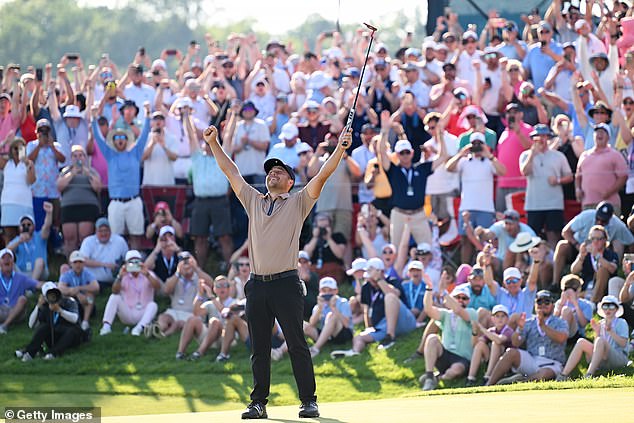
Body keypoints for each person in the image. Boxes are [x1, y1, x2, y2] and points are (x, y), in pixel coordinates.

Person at [203, 123, 353, 419]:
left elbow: (322, 174)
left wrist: (340, 148)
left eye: (280, 172)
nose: (273, 173)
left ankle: (308, 400)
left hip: (286, 283)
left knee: (297, 343)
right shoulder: (254, 200)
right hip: (257, 285)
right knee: (259, 348)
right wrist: (213, 143)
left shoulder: (298, 201)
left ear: (289, 182)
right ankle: (258, 403)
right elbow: (231, 172)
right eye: (271, 171)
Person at [91, 103, 151, 249]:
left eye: (122, 137)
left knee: (136, 236)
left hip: (134, 201)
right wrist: (93, 119)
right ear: (113, 140)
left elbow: (143, 135)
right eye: (116, 137)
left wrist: (148, 115)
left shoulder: (135, 152)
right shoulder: (110, 154)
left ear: (127, 139)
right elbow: (98, 139)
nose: (119, 139)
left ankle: (135, 261)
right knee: (116, 238)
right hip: (116, 203)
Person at [332, 257, 416, 357]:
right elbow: (366, 310)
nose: (371, 280)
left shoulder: (392, 281)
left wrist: (379, 279)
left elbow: (394, 295)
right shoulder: (367, 287)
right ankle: (355, 352)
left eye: (373, 277)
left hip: (403, 320)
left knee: (390, 297)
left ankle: (390, 337)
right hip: (382, 326)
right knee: (358, 337)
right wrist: (369, 328)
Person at [486, 290, 568, 385]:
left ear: (553, 305)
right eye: (539, 302)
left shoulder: (560, 322)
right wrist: (519, 329)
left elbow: (562, 338)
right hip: (532, 359)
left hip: (552, 362)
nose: (543, 305)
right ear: (535, 305)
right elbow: (516, 343)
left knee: (544, 374)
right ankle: (488, 385)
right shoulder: (528, 322)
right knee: (510, 352)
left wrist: (543, 326)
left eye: (547, 302)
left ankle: (518, 382)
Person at [420, 284, 479, 391]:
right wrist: (429, 288)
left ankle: (438, 378)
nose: (460, 300)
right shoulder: (446, 314)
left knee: (455, 370)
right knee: (432, 338)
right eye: (457, 297)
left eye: (464, 298)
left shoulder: (472, 313)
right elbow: (428, 309)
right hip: (445, 354)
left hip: (462, 359)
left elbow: (459, 311)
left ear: (468, 301)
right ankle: (429, 376)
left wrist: (444, 293)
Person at [558, 295, 630, 380]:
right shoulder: (601, 323)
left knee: (600, 340)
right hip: (603, 359)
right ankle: (563, 375)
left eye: (611, 306)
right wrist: (597, 332)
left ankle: (589, 374)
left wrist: (611, 331)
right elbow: (598, 346)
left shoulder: (621, 322)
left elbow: (623, 344)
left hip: (619, 359)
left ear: (617, 308)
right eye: (605, 306)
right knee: (581, 342)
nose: (608, 309)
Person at [99, 250, 161, 337]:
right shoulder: (123, 275)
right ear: (126, 263)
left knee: (153, 305)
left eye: (136, 262)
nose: (134, 265)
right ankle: (106, 327)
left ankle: (139, 328)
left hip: (144, 312)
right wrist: (120, 277)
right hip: (128, 312)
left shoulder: (148, 273)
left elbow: (158, 287)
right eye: (131, 262)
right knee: (114, 297)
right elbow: (115, 291)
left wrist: (147, 274)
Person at [16, 282, 83, 361]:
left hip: (71, 336)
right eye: (49, 295)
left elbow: (74, 319)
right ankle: (30, 352)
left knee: (72, 330)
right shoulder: (44, 307)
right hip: (53, 335)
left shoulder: (69, 301)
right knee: (44, 327)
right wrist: (38, 306)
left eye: (54, 293)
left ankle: (53, 353)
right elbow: (31, 325)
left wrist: (59, 310)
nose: (52, 297)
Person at [56, 145, 102, 255]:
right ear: (71, 158)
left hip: (87, 206)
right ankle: (70, 265)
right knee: (70, 238)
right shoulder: (65, 171)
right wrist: (72, 173)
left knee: (84, 237)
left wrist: (88, 174)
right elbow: (59, 187)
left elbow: (98, 188)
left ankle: (85, 263)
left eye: (81, 155)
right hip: (69, 207)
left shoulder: (92, 171)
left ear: (85, 158)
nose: (78, 158)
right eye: (75, 156)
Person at [175, 275, 234, 360]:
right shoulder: (211, 303)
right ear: (214, 289)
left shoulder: (235, 302)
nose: (222, 288)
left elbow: (225, 313)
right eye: (218, 286)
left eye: (224, 285)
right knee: (192, 319)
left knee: (214, 321)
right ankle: (180, 353)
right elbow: (196, 312)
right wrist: (200, 294)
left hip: (226, 339)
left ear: (229, 288)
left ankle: (199, 352)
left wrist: (211, 296)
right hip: (210, 336)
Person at [157, 252, 212, 337]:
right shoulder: (175, 278)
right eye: (182, 261)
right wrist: (178, 272)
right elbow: (166, 290)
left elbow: (211, 284)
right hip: (175, 311)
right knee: (163, 317)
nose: (186, 263)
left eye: (188, 260)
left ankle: (162, 335)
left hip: (193, 314)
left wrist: (196, 268)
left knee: (179, 324)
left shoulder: (200, 277)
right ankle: (157, 329)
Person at [303, 277, 353, 358]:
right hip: (327, 335)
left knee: (331, 316)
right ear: (320, 292)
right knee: (304, 325)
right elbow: (311, 324)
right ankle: (322, 342)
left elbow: (347, 324)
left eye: (330, 290)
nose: (327, 293)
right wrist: (319, 308)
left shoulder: (343, 302)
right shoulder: (318, 306)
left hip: (342, 333)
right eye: (324, 291)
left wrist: (333, 308)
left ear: (336, 291)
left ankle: (315, 348)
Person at [467, 304, 514, 386]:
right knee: (480, 345)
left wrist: (481, 328)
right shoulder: (491, 330)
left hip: (506, 363)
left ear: (507, 319)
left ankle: (488, 376)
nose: (500, 319)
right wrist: (474, 332)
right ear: (493, 319)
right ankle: (470, 378)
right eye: (497, 316)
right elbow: (475, 344)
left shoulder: (508, 330)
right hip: (494, 359)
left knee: (495, 344)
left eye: (503, 316)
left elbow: (499, 340)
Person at [0, 137, 36, 245]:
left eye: (20, 148)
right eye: (15, 148)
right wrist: (4, 143)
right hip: (8, 203)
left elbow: (31, 180)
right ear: (11, 150)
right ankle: (9, 259)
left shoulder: (29, 164)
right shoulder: (6, 164)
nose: (17, 150)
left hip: (24, 203)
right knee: (9, 235)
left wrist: (27, 164)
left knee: (25, 235)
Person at [570, 225, 618, 303]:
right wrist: (581, 256)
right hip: (586, 288)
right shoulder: (586, 254)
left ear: (605, 240)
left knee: (602, 270)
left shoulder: (610, 254)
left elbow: (612, 269)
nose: (595, 241)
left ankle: (593, 303)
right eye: (592, 239)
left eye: (599, 239)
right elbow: (574, 270)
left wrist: (597, 256)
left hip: (604, 289)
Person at [0, 248, 41, 334]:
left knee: (22, 299)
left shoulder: (21, 278)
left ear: (13, 262)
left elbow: (37, 284)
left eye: (9, 257)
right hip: (1, 309)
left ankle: (5, 325)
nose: (7, 259)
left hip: (16, 311)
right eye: (4, 258)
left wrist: (52, 284)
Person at [7, 204, 53, 280]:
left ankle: (31, 285)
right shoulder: (18, 239)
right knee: (7, 262)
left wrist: (49, 213)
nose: (26, 227)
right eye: (23, 225)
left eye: (29, 224)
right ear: (19, 228)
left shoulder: (39, 236)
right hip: (22, 272)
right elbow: (6, 251)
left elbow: (47, 226)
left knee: (40, 261)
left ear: (33, 226)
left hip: (39, 272)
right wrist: (19, 241)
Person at [79, 217, 129, 286]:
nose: (103, 233)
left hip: (117, 279)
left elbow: (127, 259)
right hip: (92, 280)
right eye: (100, 231)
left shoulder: (120, 241)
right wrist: (105, 265)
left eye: (106, 230)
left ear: (110, 231)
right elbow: (83, 260)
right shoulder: (88, 241)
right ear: (96, 232)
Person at [58, 251, 100, 331]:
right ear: (71, 264)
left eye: (80, 262)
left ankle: (85, 322)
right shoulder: (67, 275)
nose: (78, 265)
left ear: (83, 263)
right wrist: (76, 292)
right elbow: (60, 288)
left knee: (90, 295)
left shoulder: (87, 273)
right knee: (64, 295)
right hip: (72, 301)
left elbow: (96, 287)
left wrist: (79, 288)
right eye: (75, 262)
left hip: (86, 303)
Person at [554, 274, 594, 340]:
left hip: (575, 333)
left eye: (573, 289)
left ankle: (560, 338)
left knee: (566, 310)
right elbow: (553, 321)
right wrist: (561, 304)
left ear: (579, 290)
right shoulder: (559, 303)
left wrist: (575, 304)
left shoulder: (586, 305)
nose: (570, 292)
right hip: (558, 330)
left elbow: (583, 324)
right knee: (565, 309)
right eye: (566, 288)